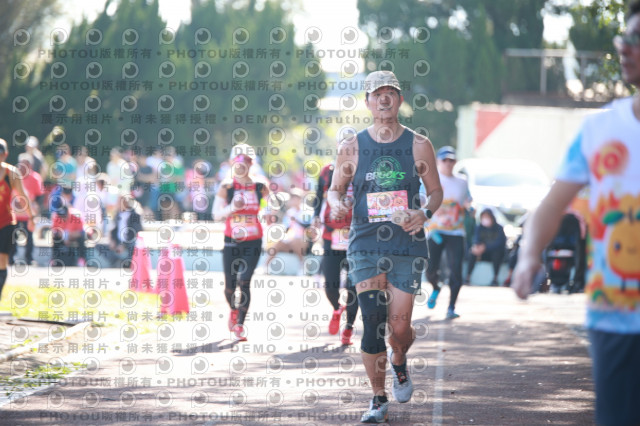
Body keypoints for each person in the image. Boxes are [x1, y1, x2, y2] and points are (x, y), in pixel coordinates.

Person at [512, 3, 640, 424]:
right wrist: (529, 255)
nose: (625, 48)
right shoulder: (600, 129)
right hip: (614, 318)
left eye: (637, 40)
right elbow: (552, 204)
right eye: (624, 38)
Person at [328, 70, 443, 423]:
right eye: (377, 94)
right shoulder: (351, 147)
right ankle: (378, 398)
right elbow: (334, 189)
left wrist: (423, 213)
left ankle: (399, 360)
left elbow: (436, 192)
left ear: (399, 100)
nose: (384, 98)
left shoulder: (419, 144)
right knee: (373, 321)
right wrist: (337, 204)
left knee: (399, 328)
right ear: (367, 102)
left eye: (390, 92)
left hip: (407, 245)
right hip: (364, 245)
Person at [212, 144, 269, 342]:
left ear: (252, 163)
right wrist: (231, 208)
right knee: (230, 286)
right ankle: (233, 309)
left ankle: (240, 325)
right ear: (232, 163)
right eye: (238, 160)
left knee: (244, 281)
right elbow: (216, 214)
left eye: (247, 160)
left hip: (253, 241)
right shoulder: (227, 187)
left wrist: (268, 213)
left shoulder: (260, 186)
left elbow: (269, 206)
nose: (242, 164)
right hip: (232, 241)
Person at [313, 162, 359, 345]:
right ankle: (337, 308)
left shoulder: (364, 168)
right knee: (330, 285)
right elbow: (318, 196)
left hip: (357, 238)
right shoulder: (327, 171)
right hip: (332, 236)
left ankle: (348, 328)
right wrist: (316, 216)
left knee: (353, 287)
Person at [425, 146, 472, 319]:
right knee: (430, 269)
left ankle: (451, 307)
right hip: (436, 232)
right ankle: (436, 287)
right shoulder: (430, 179)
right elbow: (421, 200)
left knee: (456, 270)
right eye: (444, 160)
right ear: (438, 161)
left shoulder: (462, 181)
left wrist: (470, 208)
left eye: (451, 160)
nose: (448, 163)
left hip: (456, 233)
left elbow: (468, 200)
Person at [0, 139, 36, 301]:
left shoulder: (12, 173)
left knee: (2, 260)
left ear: (6, 155)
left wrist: (31, 217)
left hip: (6, 222)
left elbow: (22, 196)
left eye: (1, 155)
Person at [11, 154, 43, 266]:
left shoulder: (35, 178)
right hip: (14, 212)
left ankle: (29, 258)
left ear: (30, 165)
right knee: (12, 235)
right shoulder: (13, 175)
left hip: (28, 212)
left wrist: (36, 210)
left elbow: (39, 196)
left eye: (26, 164)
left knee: (29, 235)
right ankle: (11, 258)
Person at [465, 208, 506, 286]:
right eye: (483, 217)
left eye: (487, 217)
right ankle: (468, 277)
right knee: (472, 252)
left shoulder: (499, 228)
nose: (485, 219)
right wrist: (477, 247)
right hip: (482, 253)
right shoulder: (479, 227)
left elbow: (500, 243)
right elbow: (476, 239)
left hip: (494, 253)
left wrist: (485, 247)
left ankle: (495, 279)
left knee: (497, 254)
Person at [50, 186, 86, 267]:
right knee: (55, 238)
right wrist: (63, 235)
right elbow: (54, 230)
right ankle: (54, 259)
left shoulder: (76, 215)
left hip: (74, 235)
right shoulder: (57, 216)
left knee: (82, 238)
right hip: (62, 236)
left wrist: (69, 235)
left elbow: (80, 231)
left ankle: (82, 259)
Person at [105, 195, 143, 268]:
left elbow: (135, 233)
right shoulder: (118, 214)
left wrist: (124, 245)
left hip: (129, 243)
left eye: (119, 202)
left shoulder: (135, 215)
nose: (117, 204)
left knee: (132, 248)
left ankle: (126, 263)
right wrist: (112, 240)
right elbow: (115, 230)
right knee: (101, 247)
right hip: (118, 242)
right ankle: (116, 261)